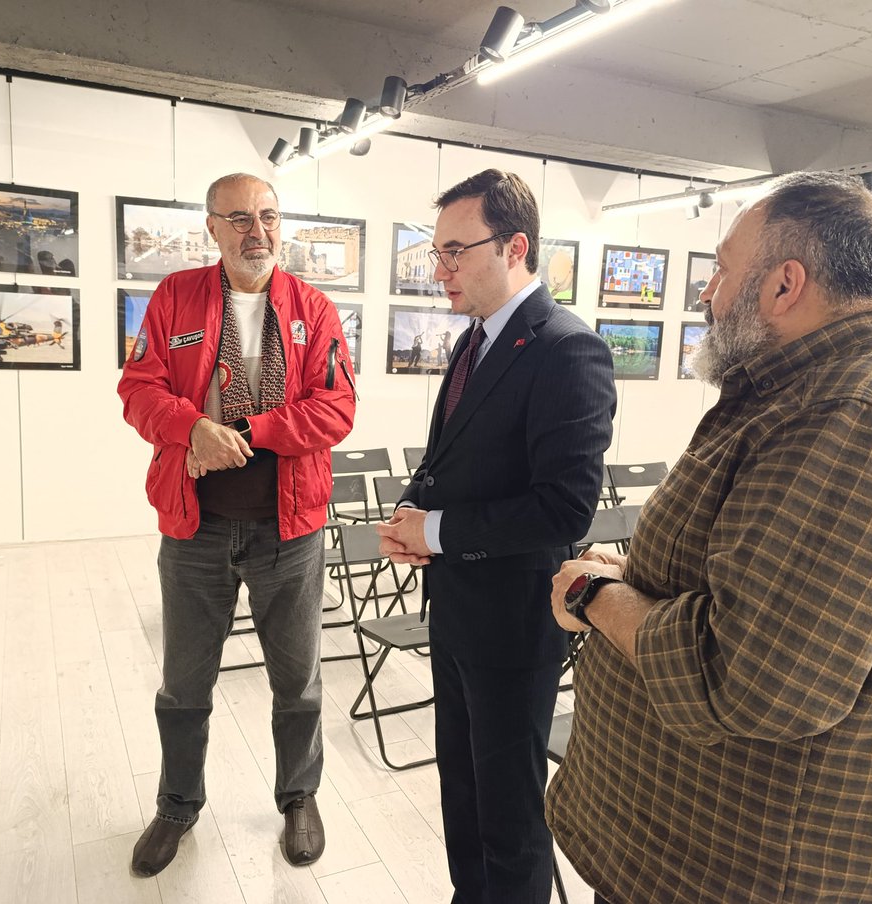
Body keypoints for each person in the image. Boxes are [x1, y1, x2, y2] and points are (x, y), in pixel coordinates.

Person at [546, 171, 872, 904]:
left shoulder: (861, 415)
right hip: (706, 850)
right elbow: (767, 582)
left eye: (722, 271)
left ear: (784, 285)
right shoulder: (814, 392)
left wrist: (596, 593)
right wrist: (640, 570)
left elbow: (748, 678)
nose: (706, 292)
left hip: (766, 873)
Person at [376, 168, 616, 904]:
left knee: (509, 812)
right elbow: (452, 456)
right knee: (463, 792)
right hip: (458, 612)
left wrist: (439, 532)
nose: (439, 269)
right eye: (436, 252)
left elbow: (563, 510)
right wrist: (414, 516)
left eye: (455, 251)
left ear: (514, 247)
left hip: (513, 626)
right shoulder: (478, 337)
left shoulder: (566, 349)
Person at [118, 172, 356, 878]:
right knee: (184, 686)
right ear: (212, 229)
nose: (259, 231)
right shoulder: (175, 298)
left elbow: (338, 408)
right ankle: (176, 805)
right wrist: (191, 427)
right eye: (241, 219)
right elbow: (137, 388)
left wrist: (249, 428)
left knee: (299, 682)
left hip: (290, 529)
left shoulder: (314, 308)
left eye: (271, 216)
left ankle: (299, 797)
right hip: (195, 527)